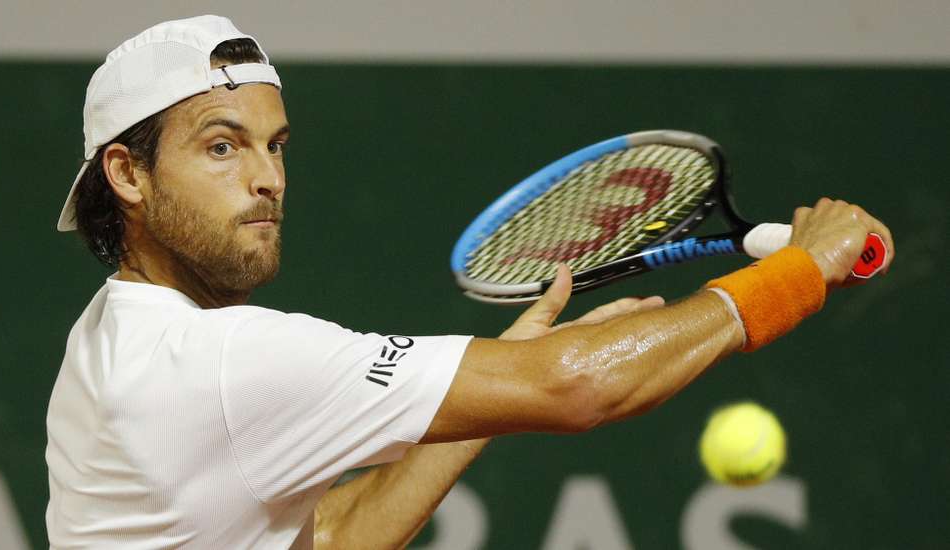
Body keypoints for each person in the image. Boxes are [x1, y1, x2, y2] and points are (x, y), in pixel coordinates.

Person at [46, 15, 894, 550]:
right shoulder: (219, 359)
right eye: (222, 145)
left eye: (276, 145)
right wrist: (797, 272)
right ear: (127, 174)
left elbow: (331, 536)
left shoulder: (109, 336)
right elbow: (579, 386)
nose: (268, 177)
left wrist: (497, 374)